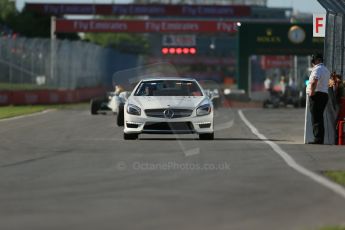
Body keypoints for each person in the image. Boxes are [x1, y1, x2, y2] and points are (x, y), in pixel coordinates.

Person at [306, 53, 331, 144]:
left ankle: (318, 139)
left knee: (316, 118)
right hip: (324, 95)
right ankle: (320, 138)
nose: (312, 62)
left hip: (317, 95)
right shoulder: (326, 69)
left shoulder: (317, 69)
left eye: (313, 60)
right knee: (319, 117)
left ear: (317, 60)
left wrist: (312, 92)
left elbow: (314, 81)